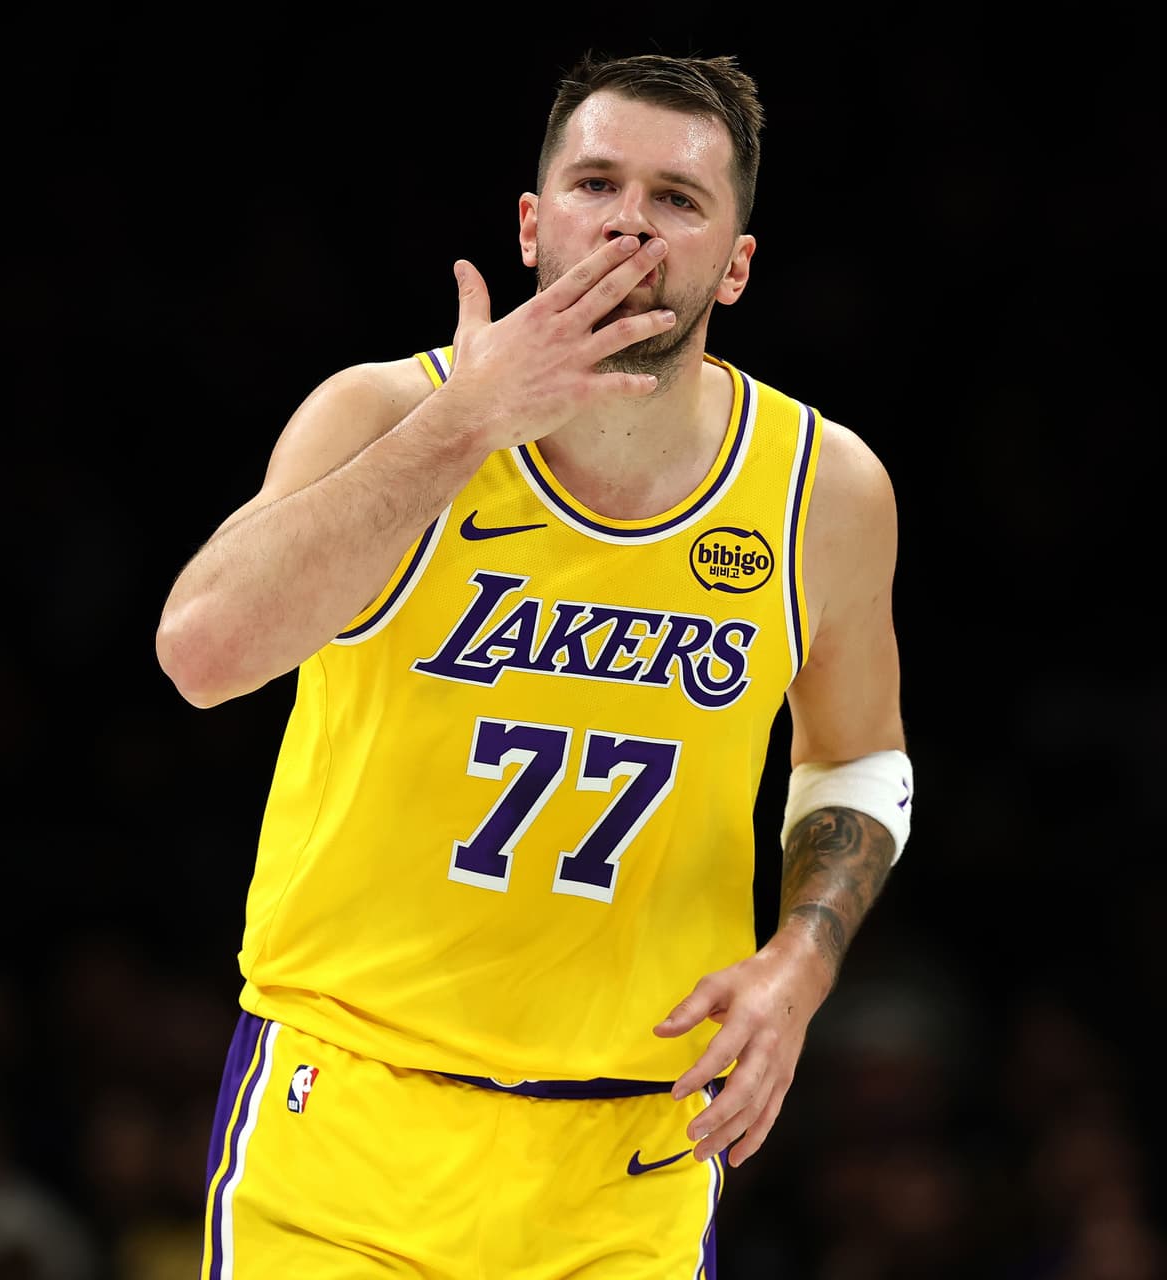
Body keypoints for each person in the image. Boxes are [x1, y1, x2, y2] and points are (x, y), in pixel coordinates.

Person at [153, 50, 912, 1277]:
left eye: (678, 199)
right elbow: (201, 653)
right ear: (530, 222)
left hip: (628, 1153)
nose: (628, 220)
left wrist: (800, 964)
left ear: (736, 262)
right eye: (596, 182)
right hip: (348, 1120)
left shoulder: (824, 489)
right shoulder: (384, 412)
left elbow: (862, 753)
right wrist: (466, 427)